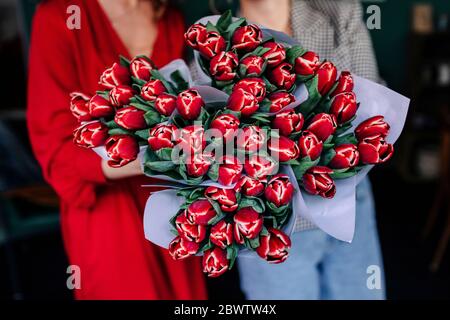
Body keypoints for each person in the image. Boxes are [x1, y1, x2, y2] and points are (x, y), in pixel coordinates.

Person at [27, 0, 207, 299]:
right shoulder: (59, 17)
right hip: (109, 219)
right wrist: (149, 159)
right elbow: (54, 151)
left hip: (172, 210)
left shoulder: (170, 16)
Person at [236, 0, 385, 299]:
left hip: (350, 206)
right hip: (272, 227)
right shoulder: (215, 44)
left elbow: (374, 114)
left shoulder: (340, 12)